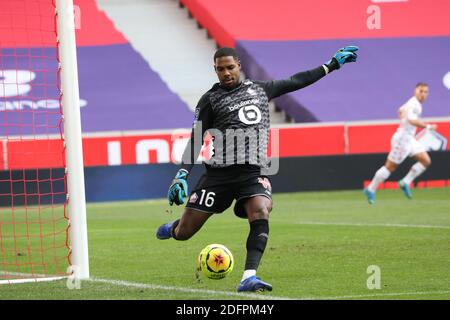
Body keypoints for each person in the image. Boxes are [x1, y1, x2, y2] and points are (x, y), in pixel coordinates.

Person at [156, 46, 358, 292]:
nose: (226, 73)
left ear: (239, 65)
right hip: (219, 175)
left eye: (230, 67)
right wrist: (182, 174)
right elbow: (196, 138)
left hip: (251, 173)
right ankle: (174, 228)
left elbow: (296, 81)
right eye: (221, 69)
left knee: (261, 210)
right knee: (186, 232)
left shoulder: (260, 89)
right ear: (215, 70)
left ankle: (248, 277)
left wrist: (331, 65)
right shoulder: (209, 100)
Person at [364, 83, 437, 204]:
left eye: (426, 92)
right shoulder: (414, 104)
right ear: (415, 91)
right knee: (389, 167)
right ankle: (370, 189)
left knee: (426, 161)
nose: (423, 94)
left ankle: (405, 182)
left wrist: (403, 117)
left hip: (410, 139)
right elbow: (411, 120)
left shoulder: (413, 103)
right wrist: (428, 126)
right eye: (421, 91)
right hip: (402, 141)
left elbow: (400, 111)